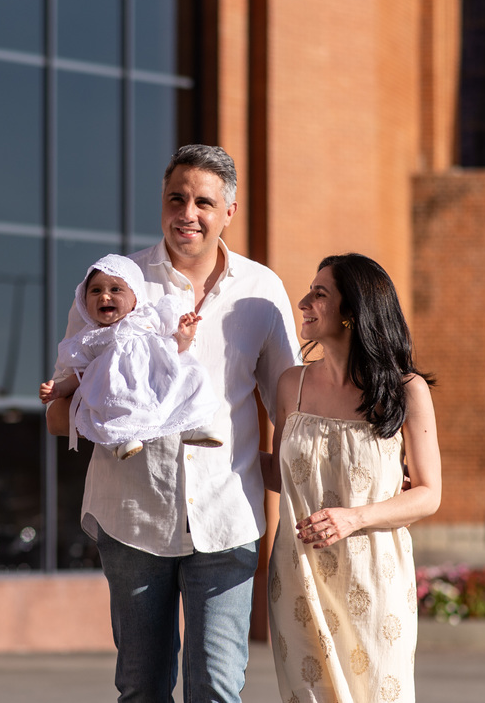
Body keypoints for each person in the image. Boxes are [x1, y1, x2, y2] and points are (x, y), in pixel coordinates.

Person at [46, 144, 299, 703]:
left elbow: (293, 406)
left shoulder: (261, 291)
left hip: (228, 513)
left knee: (215, 686)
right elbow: (67, 393)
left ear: (228, 211)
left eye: (204, 202)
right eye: (176, 198)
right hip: (132, 514)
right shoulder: (115, 284)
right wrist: (76, 410)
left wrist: (360, 465)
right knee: (141, 688)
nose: (188, 213)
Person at [261, 253, 441, 703]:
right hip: (298, 577)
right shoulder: (292, 385)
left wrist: (353, 517)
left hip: (373, 578)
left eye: (319, 294)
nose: (304, 302)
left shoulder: (405, 390)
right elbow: (280, 477)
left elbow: (428, 494)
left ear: (352, 312)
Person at [39, 253, 222, 460]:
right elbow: (80, 375)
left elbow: (174, 347)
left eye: (115, 289)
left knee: (193, 374)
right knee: (104, 403)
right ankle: (119, 441)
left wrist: (184, 336)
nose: (105, 296)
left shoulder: (150, 318)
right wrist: (58, 389)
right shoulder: (92, 338)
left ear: (136, 296)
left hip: (155, 379)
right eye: (95, 291)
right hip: (118, 385)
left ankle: (194, 425)